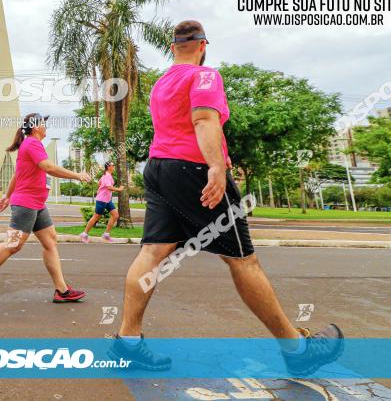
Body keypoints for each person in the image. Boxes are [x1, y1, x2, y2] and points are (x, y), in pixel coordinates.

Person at [110, 20, 344, 376]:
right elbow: (204, 120)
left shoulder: (162, 82)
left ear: (173, 47)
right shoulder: (205, 76)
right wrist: (216, 167)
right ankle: (297, 350)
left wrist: (215, 157)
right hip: (194, 171)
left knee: (152, 253)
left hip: (158, 168)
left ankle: (128, 342)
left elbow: (179, 127)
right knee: (242, 260)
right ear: (204, 45)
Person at [0, 113, 92, 308]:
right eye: (43, 123)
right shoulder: (32, 143)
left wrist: (7, 196)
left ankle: (62, 290)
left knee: (50, 241)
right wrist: (77, 175)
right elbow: (48, 167)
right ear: (35, 127)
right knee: (13, 244)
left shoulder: (31, 145)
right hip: (26, 204)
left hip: (37, 204)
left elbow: (18, 174)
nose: (46, 126)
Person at [80, 161, 124, 243]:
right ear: (108, 167)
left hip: (107, 200)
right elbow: (109, 187)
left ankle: (106, 235)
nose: (114, 166)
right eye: (112, 165)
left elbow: (99, 183)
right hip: (102, 200)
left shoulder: (106, 175)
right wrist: (119, 189)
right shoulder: (107, 176)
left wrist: (100, 190)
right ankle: (84, 234)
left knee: (115, 215)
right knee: (96, 217)